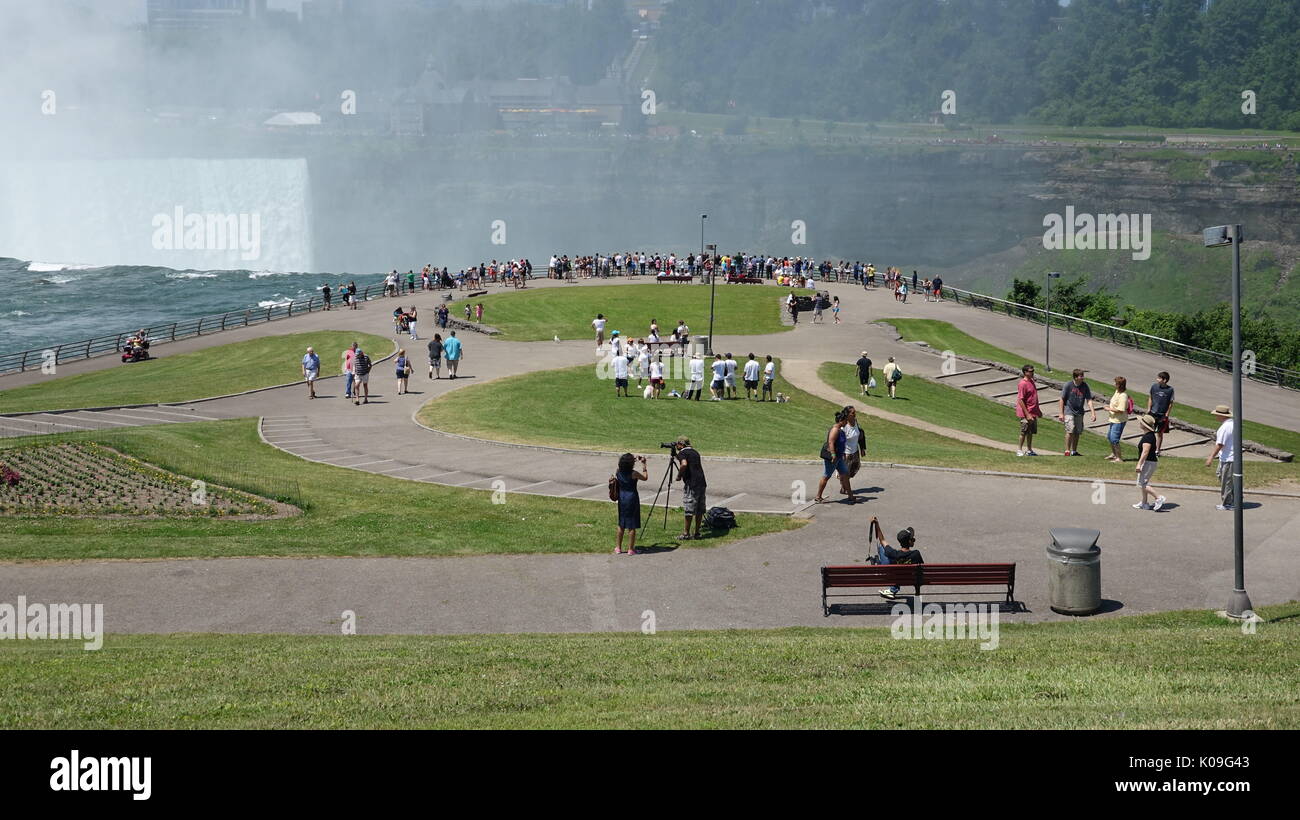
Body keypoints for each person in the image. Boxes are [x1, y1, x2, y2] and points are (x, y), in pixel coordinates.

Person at [870, 517, 924, 600]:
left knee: (882, 548)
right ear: (909, 542)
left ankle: (893, 587)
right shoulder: (916, 554)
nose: (914, 540)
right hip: (912, 579)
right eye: (913, 539)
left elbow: (882, 540)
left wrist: (877, 524)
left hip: (896, 577)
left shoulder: (894, 554)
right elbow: (921, 569)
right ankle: (914, 593)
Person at [814, 407, 855, 504]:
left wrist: (842, 455)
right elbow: (831, 442)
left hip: (839, 457)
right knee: (826, 476)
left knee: (845, 474)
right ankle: (818, 496)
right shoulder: (835, 429)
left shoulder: (841, 430)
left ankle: (850, 496)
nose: (846, 423)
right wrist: (833, 455)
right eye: (845, 421)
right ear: (842, 420)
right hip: (833, 458)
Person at [613, 453, 648, 554]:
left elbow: (625, 465)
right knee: (631, 525)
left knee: (621, 523)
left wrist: (632, 459)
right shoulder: (634, 473)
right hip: (632, 497)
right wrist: (644, 465)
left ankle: (618, 547)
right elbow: (645, 477)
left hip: (622, 497)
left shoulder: (618, 471)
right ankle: (630, 549)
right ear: (631, 464)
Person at [1056, 369, 1095, 456]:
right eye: (1081, 376)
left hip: (1079, 412)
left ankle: (1074, 451)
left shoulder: (1085, 386)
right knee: (1070, 430)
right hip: (1069, 411)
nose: (1083, 378)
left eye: (1083, 376)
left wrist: (1093, 412)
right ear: (1076, 377)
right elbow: (1062, 399)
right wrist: (1061, 413)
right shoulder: (1068, 385)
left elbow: (1089, 399)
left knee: (1077, 432)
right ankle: (1067, 451)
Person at [1206, 404, 1236, 510]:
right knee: (1221, 475)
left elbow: (1220, 444)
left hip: (1229, 458)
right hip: (1227, 457)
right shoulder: (1231, 424)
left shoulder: (1225, 427)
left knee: (1226, 481)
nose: (1216, 417)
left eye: (1217, 415)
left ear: (1222, 416)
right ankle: (1233, 498)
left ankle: (1228, 503)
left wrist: (1210, 457)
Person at [676, 437, 707, 540]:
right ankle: (697, 533)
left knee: (689, 509)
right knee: (699, 509)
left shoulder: (682, 453)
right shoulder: (695, 452)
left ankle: (686, 533)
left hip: (692, 484)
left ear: (681, 444)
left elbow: (684, 464)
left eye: (677, 444)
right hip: (701, 482)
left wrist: (679, 475)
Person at [1133, 414, 1166, 511]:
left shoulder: (1148, 437)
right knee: (1143, 483)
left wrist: (1139, 463)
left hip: (1148, 462)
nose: (1139, 423)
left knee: (1142, 484)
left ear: (1144, 425)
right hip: (1150, 462)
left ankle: (1158, 498)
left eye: (1141, 422)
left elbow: (1145, 452)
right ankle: (1144, 503)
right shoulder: (1149, 435)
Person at [1015, 364, 1041, 456]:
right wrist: (1027, 414)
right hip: (1026, 413)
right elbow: (1020, 400)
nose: (1032, 372)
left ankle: (1029, 450)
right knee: (1024, 431)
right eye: (1030, 371)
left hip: (1033, 411)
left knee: (1030, 432)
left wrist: (1038, 411)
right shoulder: (1023, 384)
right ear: (1025, 372)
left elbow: (1034, 398)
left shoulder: (1032, 381)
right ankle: (1019, 450)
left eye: (1033, 371)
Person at [1147, 371, 1175, 453]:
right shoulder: (1154, 387)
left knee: (1159, 433)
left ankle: (1157, 450)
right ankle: (1149, 447)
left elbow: (1170, 403)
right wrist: (1148, 409)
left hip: (1162, 415)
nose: (1157, 379)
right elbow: (1150, 397)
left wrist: (1167, 414)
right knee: (1149, 430)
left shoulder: (1170, 390)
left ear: (1165, 380)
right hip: (1152, 412)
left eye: (1159, 378)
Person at [1105, 376, 1130, 462]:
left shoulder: (1123, 396)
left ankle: (1119, 458)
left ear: (1120, 385)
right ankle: (1114, 454)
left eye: (1116, 383)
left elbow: (1120, 410)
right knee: (1109, 437)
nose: (1114, 384)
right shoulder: (1117, 392)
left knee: (1114, 439)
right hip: (1113, 419)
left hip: (1119, 420)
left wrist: (1109, 409)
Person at [841, 405, 864, 485]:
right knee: (845, 472)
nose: (855, 414)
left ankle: (844, 483)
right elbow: (839, 440)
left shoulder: (855, 421)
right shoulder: (843, 425)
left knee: (855, 468)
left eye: (855, 412)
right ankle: (844, 487)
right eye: (853, 413)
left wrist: (862, 448)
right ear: (847, 414)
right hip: (846, 453)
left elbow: (860, 434)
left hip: (855, 451)